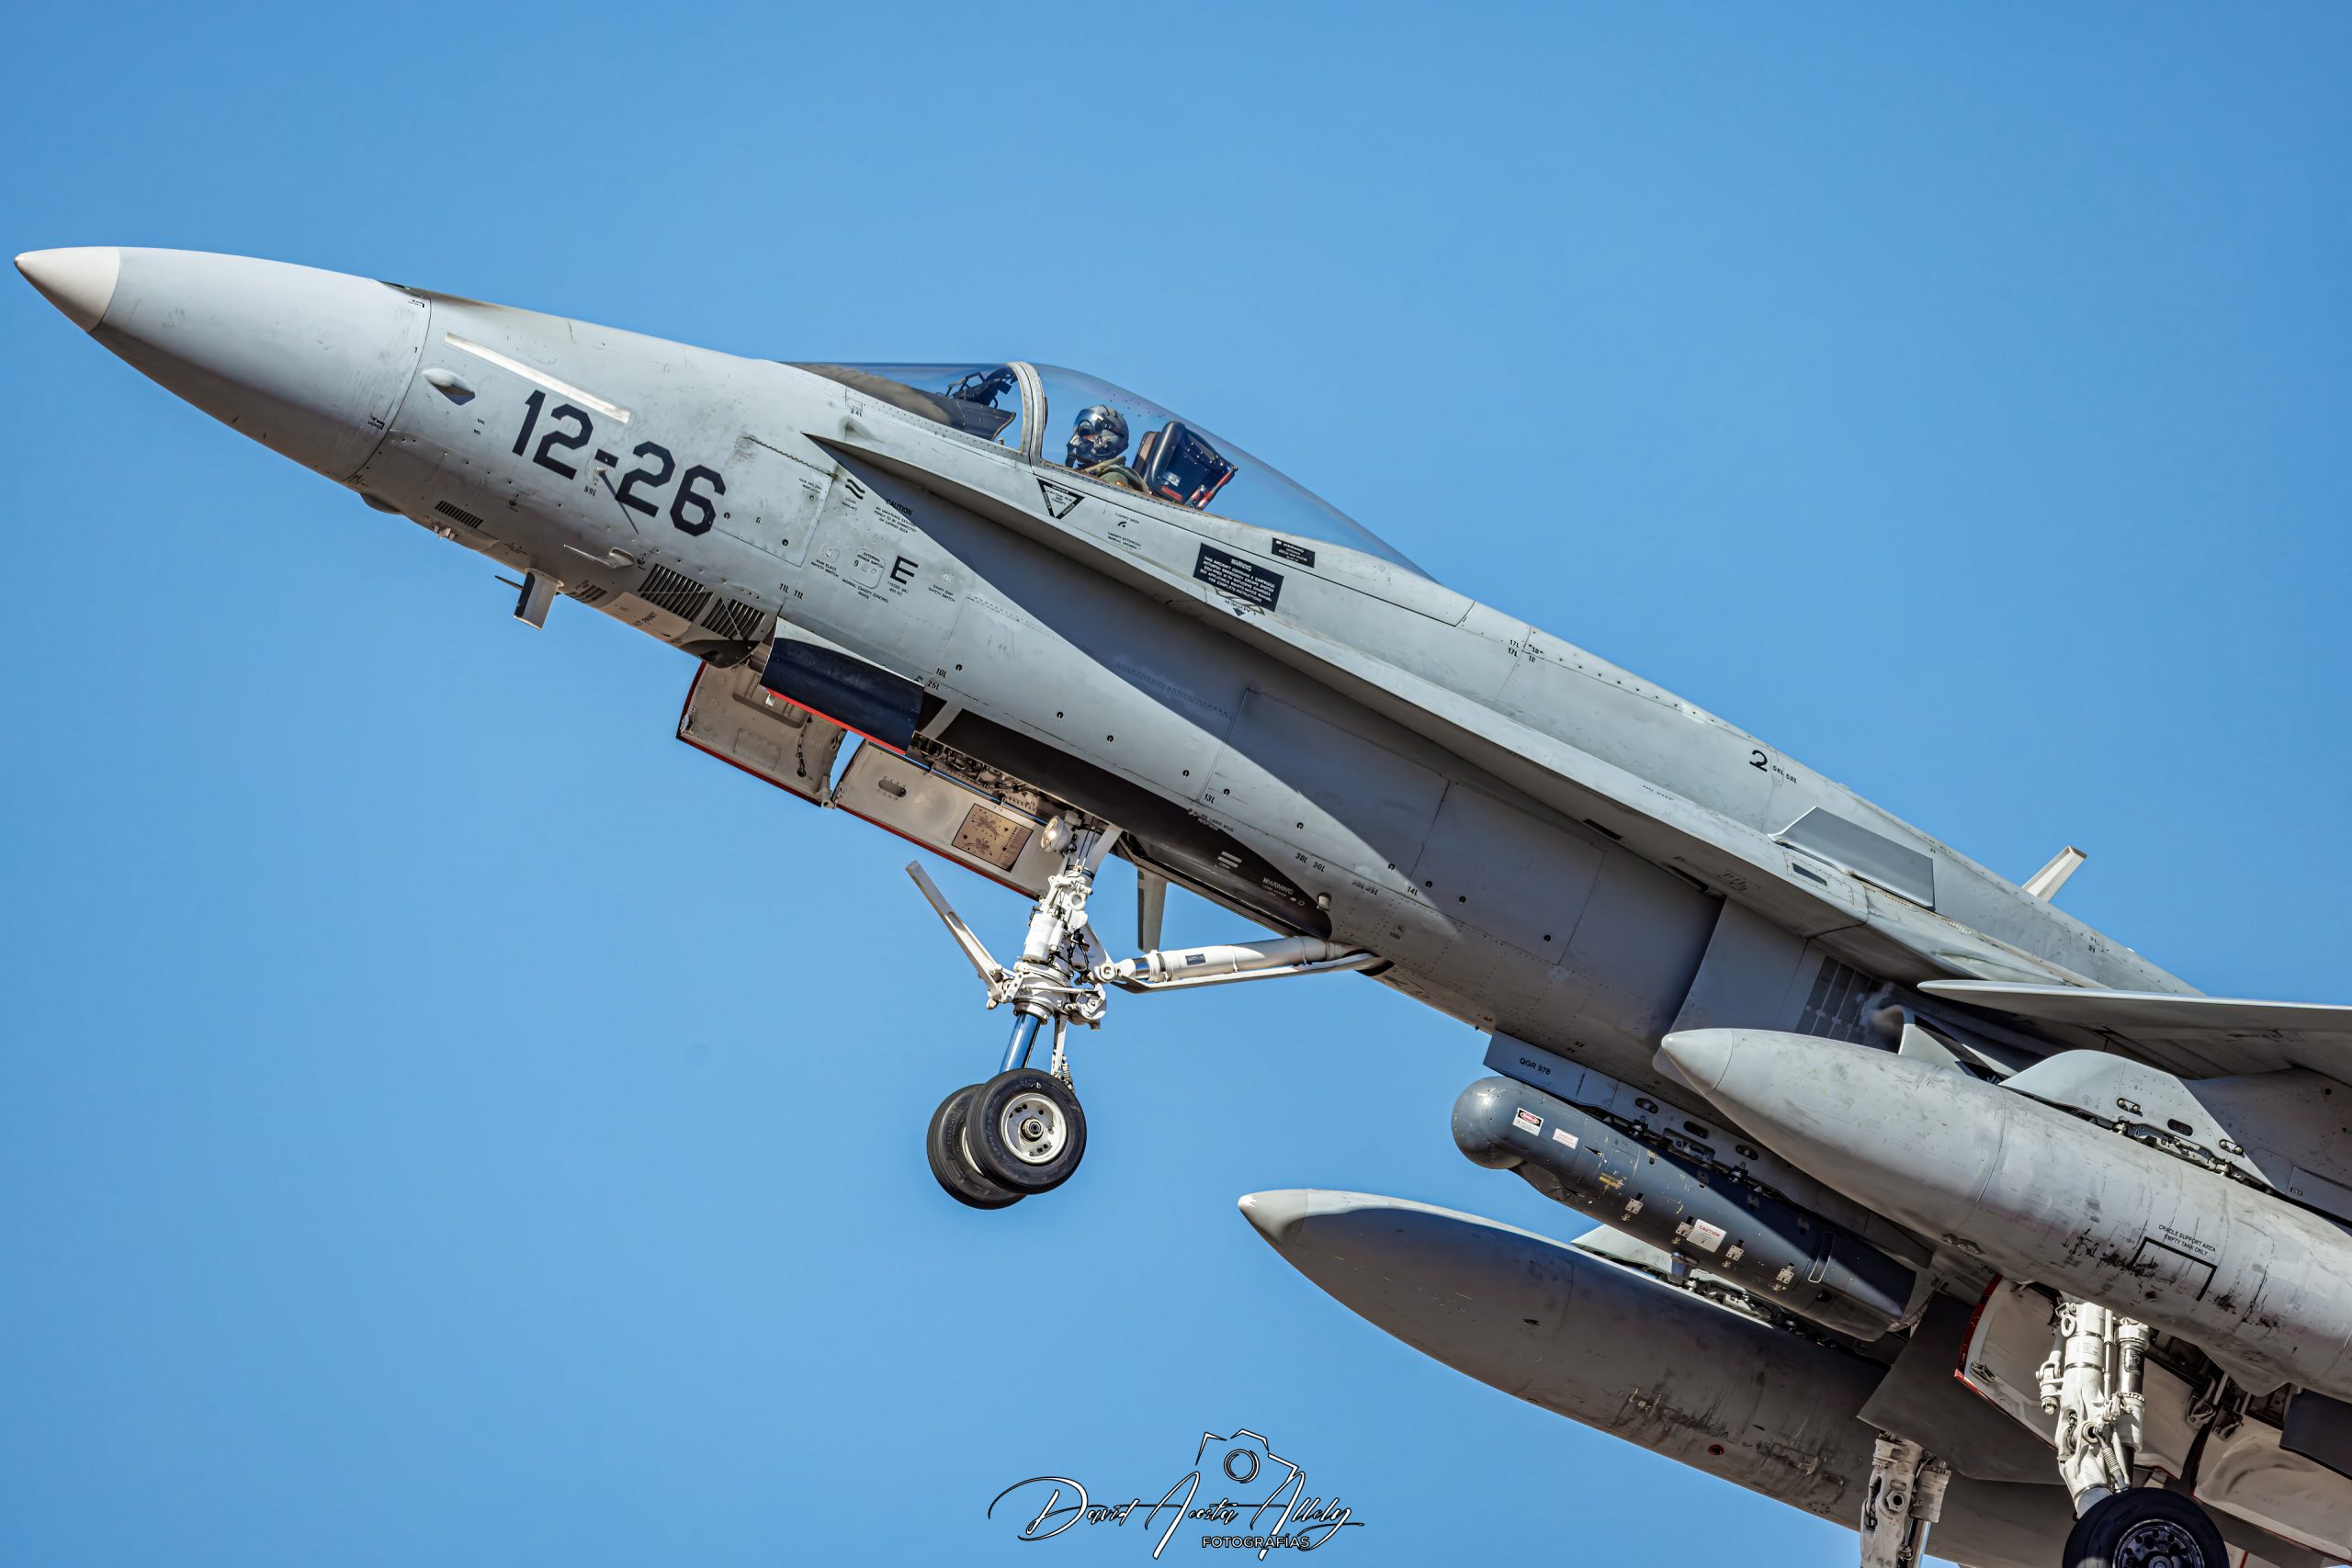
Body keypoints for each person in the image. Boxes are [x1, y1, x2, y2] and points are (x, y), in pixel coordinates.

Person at [1064, 403, 1148, 493]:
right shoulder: (1090, 474)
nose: (1078, 438)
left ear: (1106, 439)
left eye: (1086, 432)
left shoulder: (1111, 478)